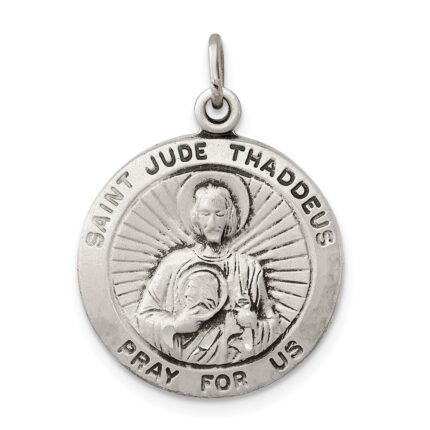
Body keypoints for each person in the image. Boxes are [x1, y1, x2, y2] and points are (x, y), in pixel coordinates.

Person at [135, 176, 281, 364]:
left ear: (229, 216)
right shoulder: (173, 263)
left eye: (219, 214)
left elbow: (274, 324)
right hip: (186, 358)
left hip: (235, 359)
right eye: (205, 214)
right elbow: (143, 318)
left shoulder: (249, 267)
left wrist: (252, 324)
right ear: (195, 217)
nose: (212, 223)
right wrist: (175, 325)